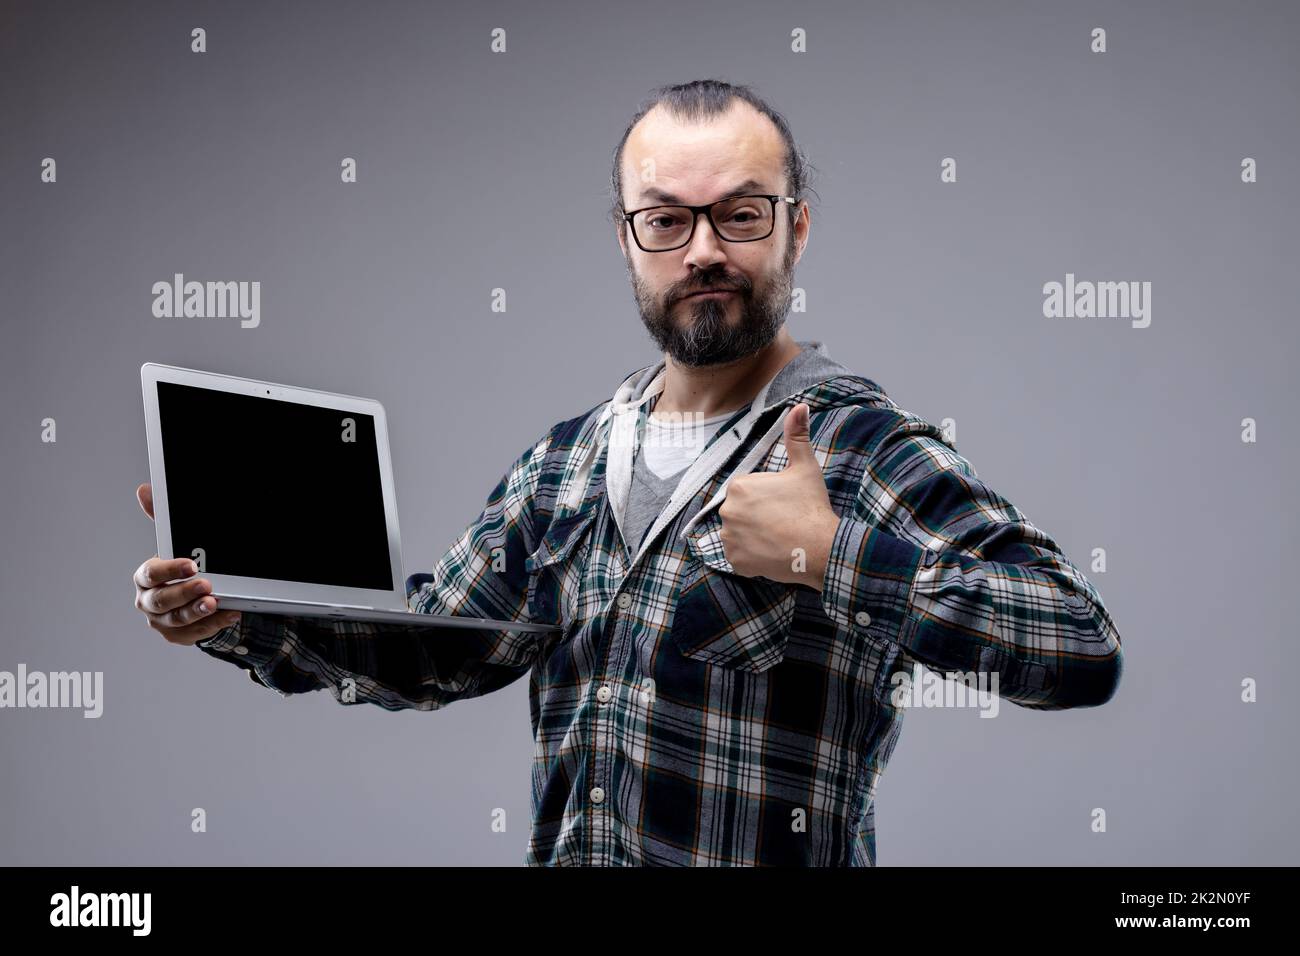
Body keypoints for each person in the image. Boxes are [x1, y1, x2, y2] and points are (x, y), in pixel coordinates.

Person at [131, 78, 1123, 866]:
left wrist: (833, 553)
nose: (703, 251)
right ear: (626, 237)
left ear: (795, 230)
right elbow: (439, 651)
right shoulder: (564, 463)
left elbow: (1079, 646)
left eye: (740, 214)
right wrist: (241, 613)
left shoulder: (856, 447)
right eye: (665, 219)